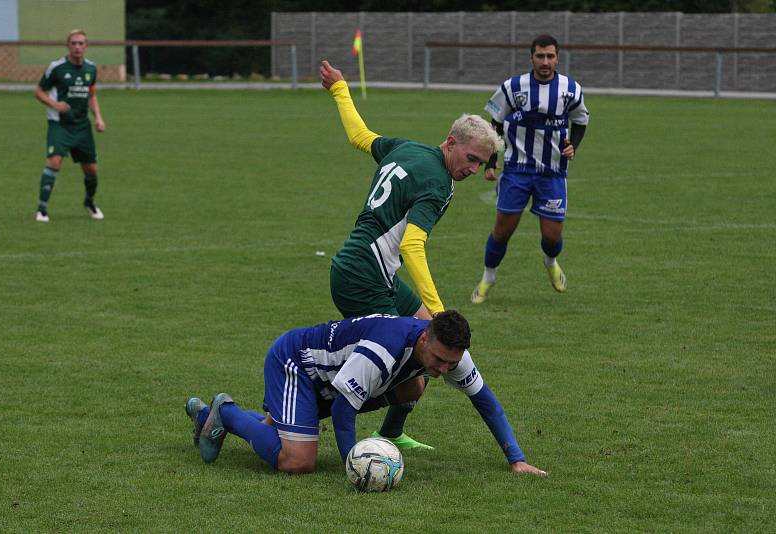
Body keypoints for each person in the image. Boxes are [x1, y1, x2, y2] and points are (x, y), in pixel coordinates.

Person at [320, 60, 502, 450]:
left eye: (482, 164)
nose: (473, 169)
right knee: (414, 368)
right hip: (362, 276)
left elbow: (359, 136)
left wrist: (340, 90)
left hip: (371, 270)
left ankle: (390, 432)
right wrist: (438, 311)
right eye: (471, 158)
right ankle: (315, 410)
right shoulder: (437, 183)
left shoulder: (406, 148)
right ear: (451, 143)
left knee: (422, 348)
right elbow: (411, 244)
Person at [185, 310, 547, 477]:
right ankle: (225, 412)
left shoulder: (451, 355)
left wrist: (515, 459)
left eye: (449, 365)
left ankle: (210, 415)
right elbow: (345, 410)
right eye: (438, 360)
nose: (442, 370)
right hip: (297, 363)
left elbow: (485, 401)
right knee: (298, 460)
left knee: (415, 383)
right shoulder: (385, 348)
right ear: (425, 338)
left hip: (332, 377)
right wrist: (353, 464)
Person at [471, 34, 589, 303]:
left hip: (552, 172)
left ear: (557, 57)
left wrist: (574, 146)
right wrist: (490, 162)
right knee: (502, 231)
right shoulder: (513, 87)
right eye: (540, 56)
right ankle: (488, 277)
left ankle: (550, 262)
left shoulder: (570, 89)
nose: (545, 61)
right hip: (517, 171)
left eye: (550, 56)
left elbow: (581, 120)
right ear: (531, 57)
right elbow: (495, 123)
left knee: (551, 236)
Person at [33, 29, 106, 223]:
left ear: (86, 46)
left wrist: (98, 117)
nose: (77, 47)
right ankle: (42, 209)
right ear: (68, 45)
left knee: (91, 170)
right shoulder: (56, 67)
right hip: (59, 124)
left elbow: (91, 94)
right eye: (73, 43)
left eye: (81, 43)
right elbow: (39, 92)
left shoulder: (91, 69)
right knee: (54, 162)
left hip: (82, 126)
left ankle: (89, 202)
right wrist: (55, 105)